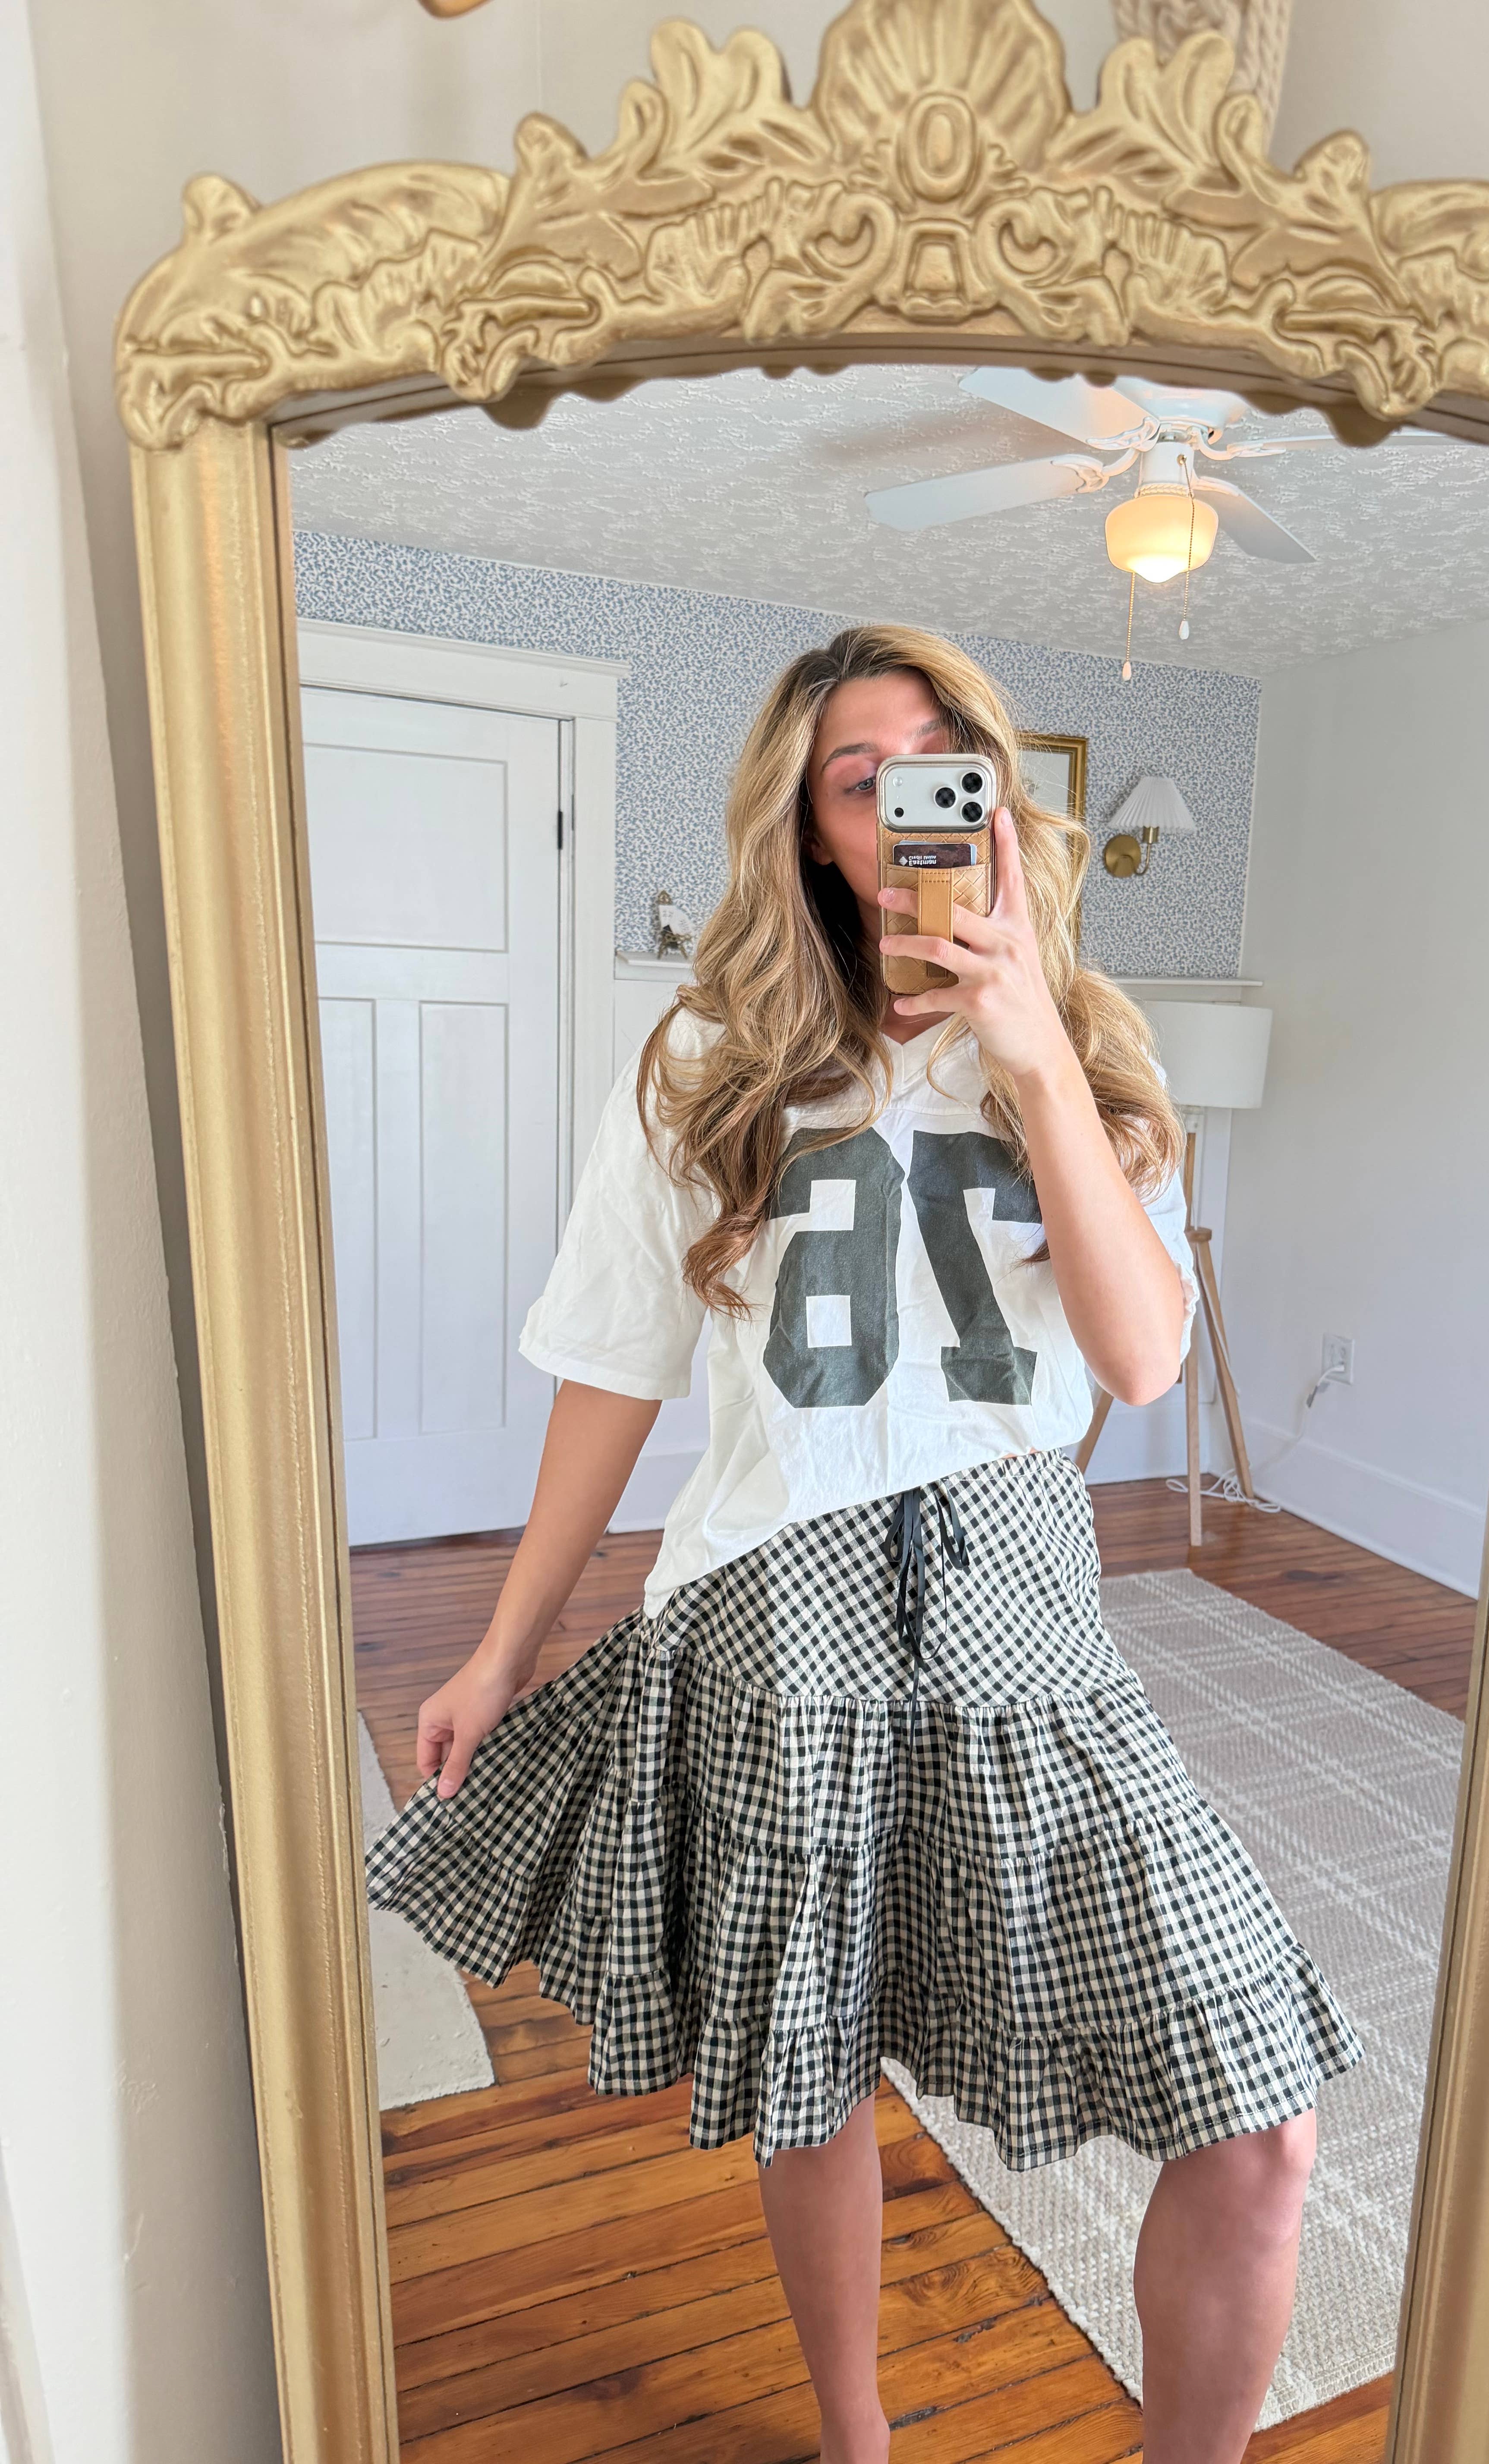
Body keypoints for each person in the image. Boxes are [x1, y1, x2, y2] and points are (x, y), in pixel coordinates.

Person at [366, 623, 1362, 2464]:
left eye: (941, 767)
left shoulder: (1085, 1051)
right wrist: (503, 1647)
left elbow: (1143, 1359)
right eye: (862, 780)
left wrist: (1031, 1055)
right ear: (812, 829)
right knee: (808, 2073)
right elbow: (612, 1368)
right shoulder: (710, 1054)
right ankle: (858, 2439)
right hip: (774, 1616)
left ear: (991, 796)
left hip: (1026, 1614)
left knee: (1261, 2125)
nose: (911, 808)